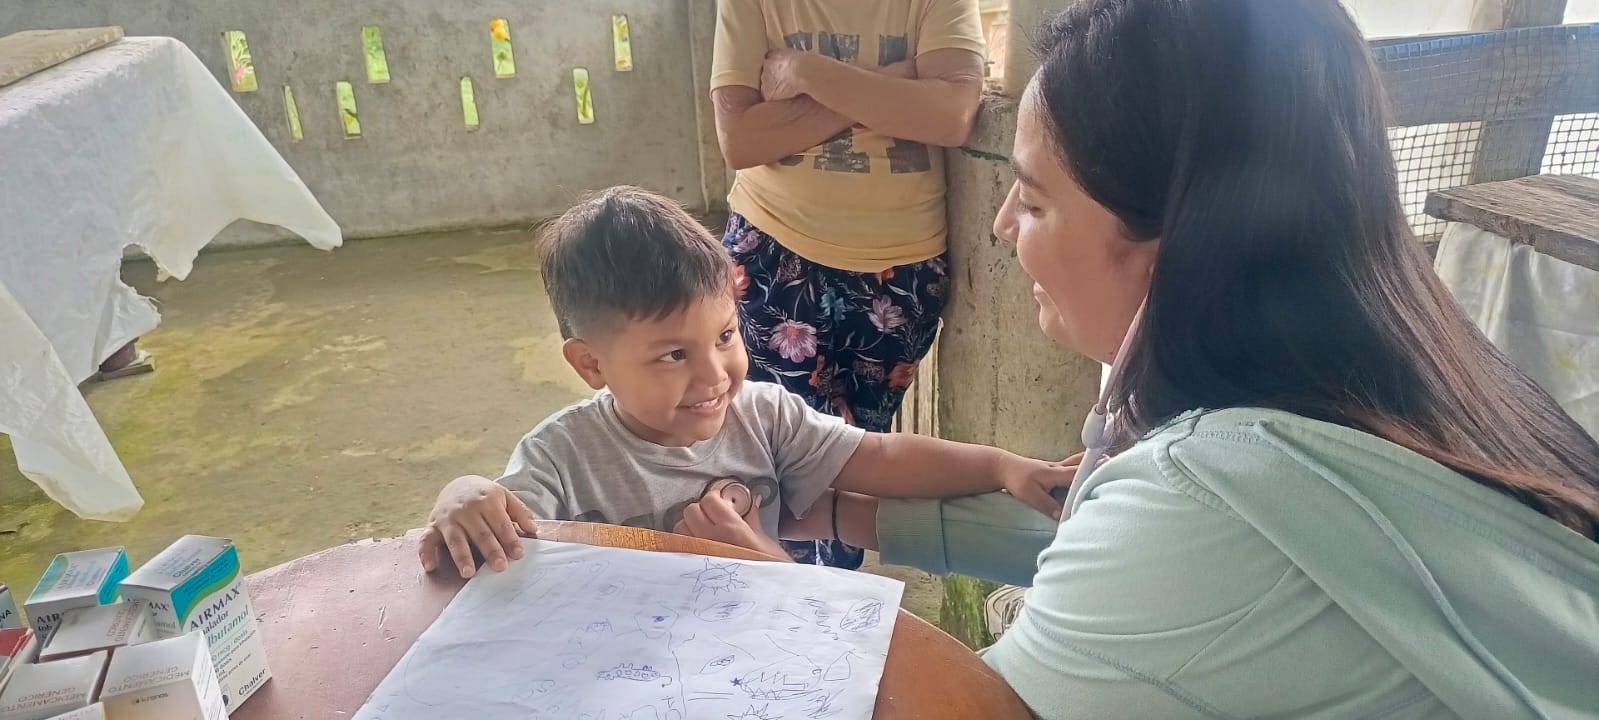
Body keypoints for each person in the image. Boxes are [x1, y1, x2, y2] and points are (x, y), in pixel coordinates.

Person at [680, 1, 1599, 717]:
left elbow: (978, 707)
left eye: (1035, 202)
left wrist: (779, 591)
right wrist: (841, 510)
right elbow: (1105, 551)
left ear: (1171, 244)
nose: (1001, 227)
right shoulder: (1397, 367)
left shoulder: (1211, 494)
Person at [416, 187, 1071, 578]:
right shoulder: (562, 456)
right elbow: (496, 515)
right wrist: (462, 492)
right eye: (673, 355)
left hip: (754, 650)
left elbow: (880, 457)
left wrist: (1002, 466)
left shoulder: (764, 416)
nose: (715, 376)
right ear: (591, 365)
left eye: (726, 336)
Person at [710, 0, 985, 568]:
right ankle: (768, 593)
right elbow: (741, 140)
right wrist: (896, 86)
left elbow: (951, 116)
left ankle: (833, 599)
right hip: (771, 253)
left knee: (858, 458)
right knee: (765, 449)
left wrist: (809, 72)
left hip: (899, 268)